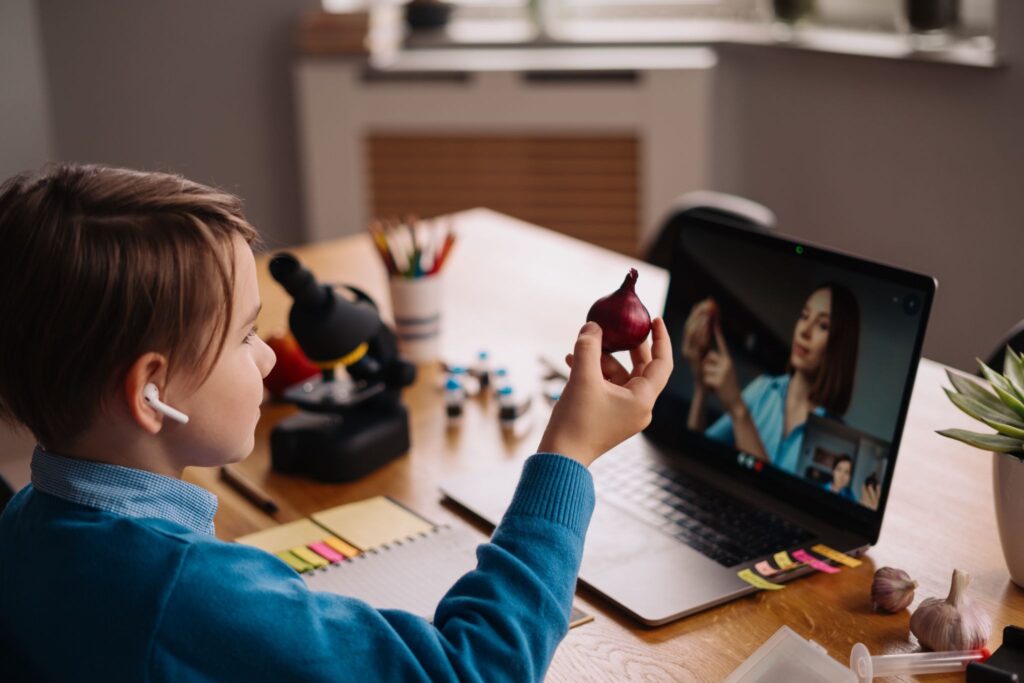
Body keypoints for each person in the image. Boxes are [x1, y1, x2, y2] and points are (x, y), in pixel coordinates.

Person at [0, 164, 673, 682]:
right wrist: (569, 454)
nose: (267, 354)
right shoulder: (189, 593)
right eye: (242, 336)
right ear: (151, 392)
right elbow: (477, 668)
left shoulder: (26, 521)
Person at [681, 284, 859, 475]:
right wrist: (700, 386)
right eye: (804, 316)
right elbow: (696, 453)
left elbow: (779, 497)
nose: (804, 331)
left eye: (823, 325)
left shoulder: (836, 439)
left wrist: (737, 408)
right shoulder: (764, 388)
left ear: (839, 348)